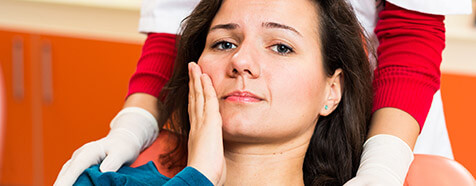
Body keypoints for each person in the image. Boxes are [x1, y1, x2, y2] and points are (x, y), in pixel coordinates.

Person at [54, 0, 473, 185]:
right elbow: (173, 30)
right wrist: (132, 126)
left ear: (333, 89)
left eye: (281, 46)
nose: (242, 62)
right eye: (222, 43)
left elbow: (411, 30)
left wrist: (381, 169)